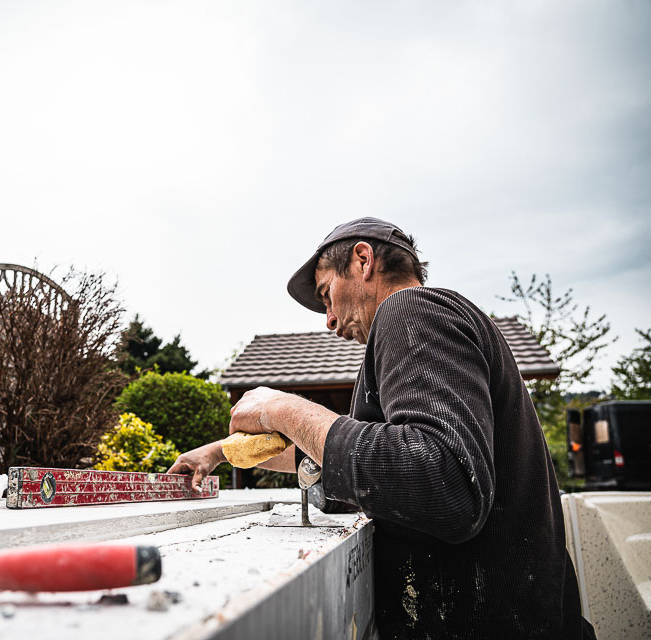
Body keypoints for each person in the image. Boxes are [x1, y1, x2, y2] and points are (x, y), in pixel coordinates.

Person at [168, 218, 595, 639]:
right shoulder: (428, 331)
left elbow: (443, 479)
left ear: (363, 260)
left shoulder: (412, 310)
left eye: (326, 295)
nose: (330, 321)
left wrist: (281, 409)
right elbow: (360, 461)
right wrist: (219, 452)